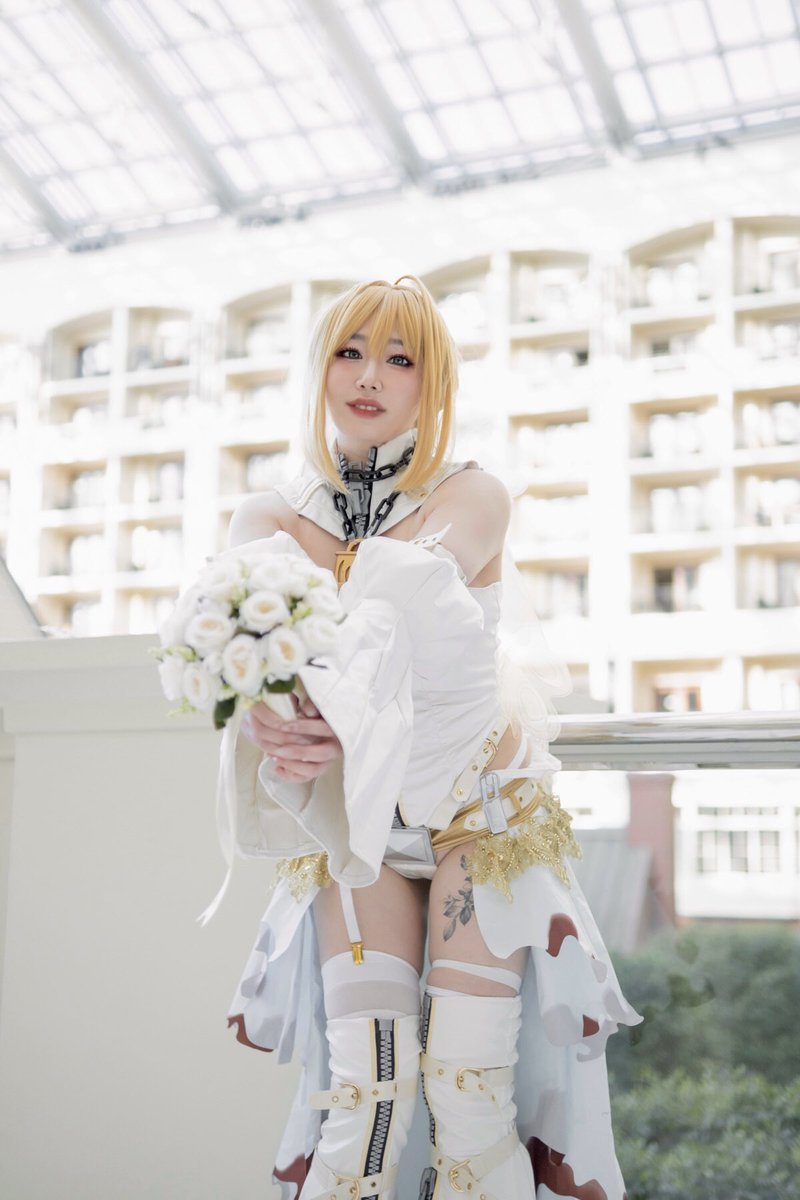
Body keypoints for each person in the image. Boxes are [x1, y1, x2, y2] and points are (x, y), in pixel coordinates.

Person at [220, 276, 641, 1200]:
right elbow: (240, 642)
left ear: (432, 382)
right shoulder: (271, 515)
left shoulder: (471, 494)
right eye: (349, 352)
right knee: (365, 1100)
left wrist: (318, 706)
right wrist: (266, 710)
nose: (370, 375)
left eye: (400, 358)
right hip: (358, 825)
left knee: (469, 1094)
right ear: (320, 369)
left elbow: (406, 610)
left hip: (476, 815)